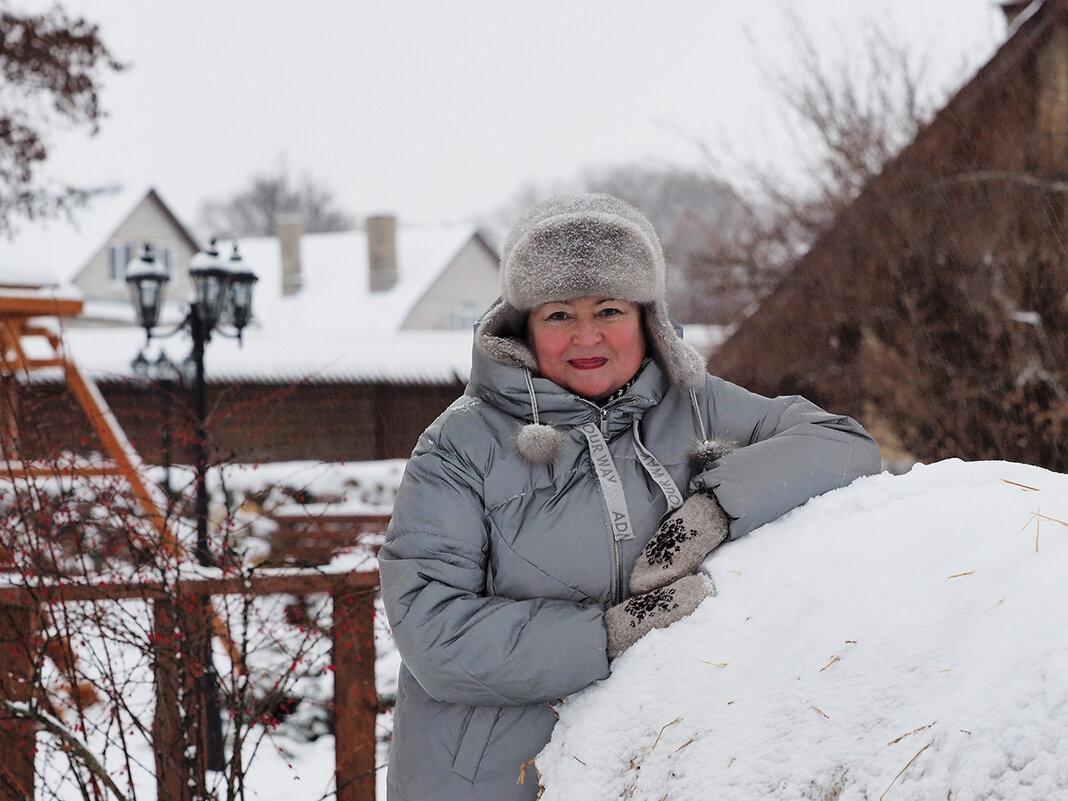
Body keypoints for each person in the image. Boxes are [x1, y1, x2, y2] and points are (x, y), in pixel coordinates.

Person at [378, 193, 881, 801]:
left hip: (651, 768)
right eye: (558, 313)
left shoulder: (697, 405)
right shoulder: (460, 447)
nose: (586, 336)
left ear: (647, 317)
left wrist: (714, 509)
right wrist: (609, 635)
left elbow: (842, 443)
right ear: (522, 327)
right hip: (495, 779)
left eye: (609, 309)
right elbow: (432, 631)